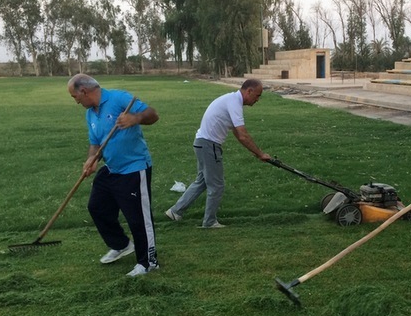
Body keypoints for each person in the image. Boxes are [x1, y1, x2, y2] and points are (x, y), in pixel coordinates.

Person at [67, 74, 160, 277]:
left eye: (75, 96)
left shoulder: (118, 98)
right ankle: (122, 244)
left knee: (138, 219)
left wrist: (135, 118)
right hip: (112, 168)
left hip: (134, 168)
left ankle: (148, 262)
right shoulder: (90, 114)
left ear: (84, 91)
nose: (76, 101)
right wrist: (91, 159)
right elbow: (95, 143)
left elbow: (153, 114)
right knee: (97, 207)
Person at [166, 79, 271, 228]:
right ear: (249, 91)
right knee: (217, 185)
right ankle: (209, 222)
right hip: (209, 145)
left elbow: (236, 131)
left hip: (202, 143)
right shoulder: (234, 102)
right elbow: (243, 134)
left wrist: (255, 152)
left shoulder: (231, 99)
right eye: (257, 95)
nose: (258, 100)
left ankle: (175, 211)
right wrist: (260, 153)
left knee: (202, 181)